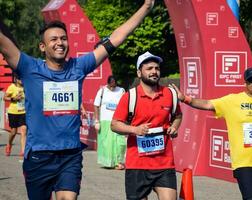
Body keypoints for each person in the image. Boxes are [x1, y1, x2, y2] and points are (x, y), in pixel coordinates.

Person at [0, 1, 155, 199]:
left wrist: (146, 7)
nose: (60, 43)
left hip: (70, 156)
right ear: (42, 46)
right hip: (39, 156)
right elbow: (3, 43)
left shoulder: (78, 67)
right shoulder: (29, 68)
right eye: (53, 39)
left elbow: (116, 38)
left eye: (63, 39)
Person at [171, 67, 252, 200]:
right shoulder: (232, 101)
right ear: (245, 84)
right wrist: (185, 98)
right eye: (251, 81)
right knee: (251, 198)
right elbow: (208, 104)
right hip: (243, 163)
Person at [111, 51, 182, 200]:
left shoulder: (170, 94)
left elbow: (178, 116)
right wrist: (135, 129)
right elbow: (115, 125)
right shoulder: (130, 97)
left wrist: (174, 127)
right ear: (139, 72)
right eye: (149, 68)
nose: (154, 72)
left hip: (164, 163)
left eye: (156, 68)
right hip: (137, 165)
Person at [93, 75, 126, 169]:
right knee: (107, 143)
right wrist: (96, 121)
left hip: (118, 120)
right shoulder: (102, 91)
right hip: (105, 120)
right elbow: (96, 105)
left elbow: (126, 104)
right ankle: (109, 163)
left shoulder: (121, 91)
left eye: (114, 86)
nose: (112, 88)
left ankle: (119, 162)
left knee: (120, 142)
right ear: (107, 83)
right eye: (110, 85)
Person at [3, 75, 27, 157]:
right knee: (14, 132)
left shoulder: (26, 87)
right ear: (16, 79)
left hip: (23, 112)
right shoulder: (12, 87)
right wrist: (14, 98)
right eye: (20, 79)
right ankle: (9, 144)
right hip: (13, 112)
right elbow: (5, 97)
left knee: (24, 130)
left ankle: (23, 151)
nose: (22, 80)